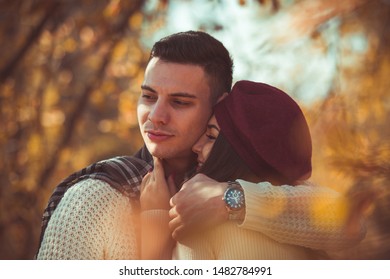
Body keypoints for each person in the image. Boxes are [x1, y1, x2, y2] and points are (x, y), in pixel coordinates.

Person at [36, 31, 365, 260]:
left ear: (219, 107)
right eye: (148, 97)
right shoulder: (93, 198)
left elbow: (348, 225)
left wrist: (228, 200)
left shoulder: (242, 181)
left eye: (180, 102)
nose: (156, 116)